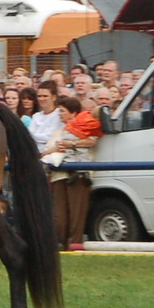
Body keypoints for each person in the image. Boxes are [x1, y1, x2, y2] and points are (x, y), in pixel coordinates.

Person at [42, 95, 99, 251]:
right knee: (60, 214)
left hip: (78, 174)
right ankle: (61, 243)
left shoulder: (86, 126)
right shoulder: (58, 132)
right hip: (59, 175)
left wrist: (71, 144)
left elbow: (91, 141)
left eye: (62, 111)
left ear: (73, 113)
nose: (59, 114)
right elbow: (45, 152)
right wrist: (56, 149)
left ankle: (74, 243)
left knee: (76, 213)